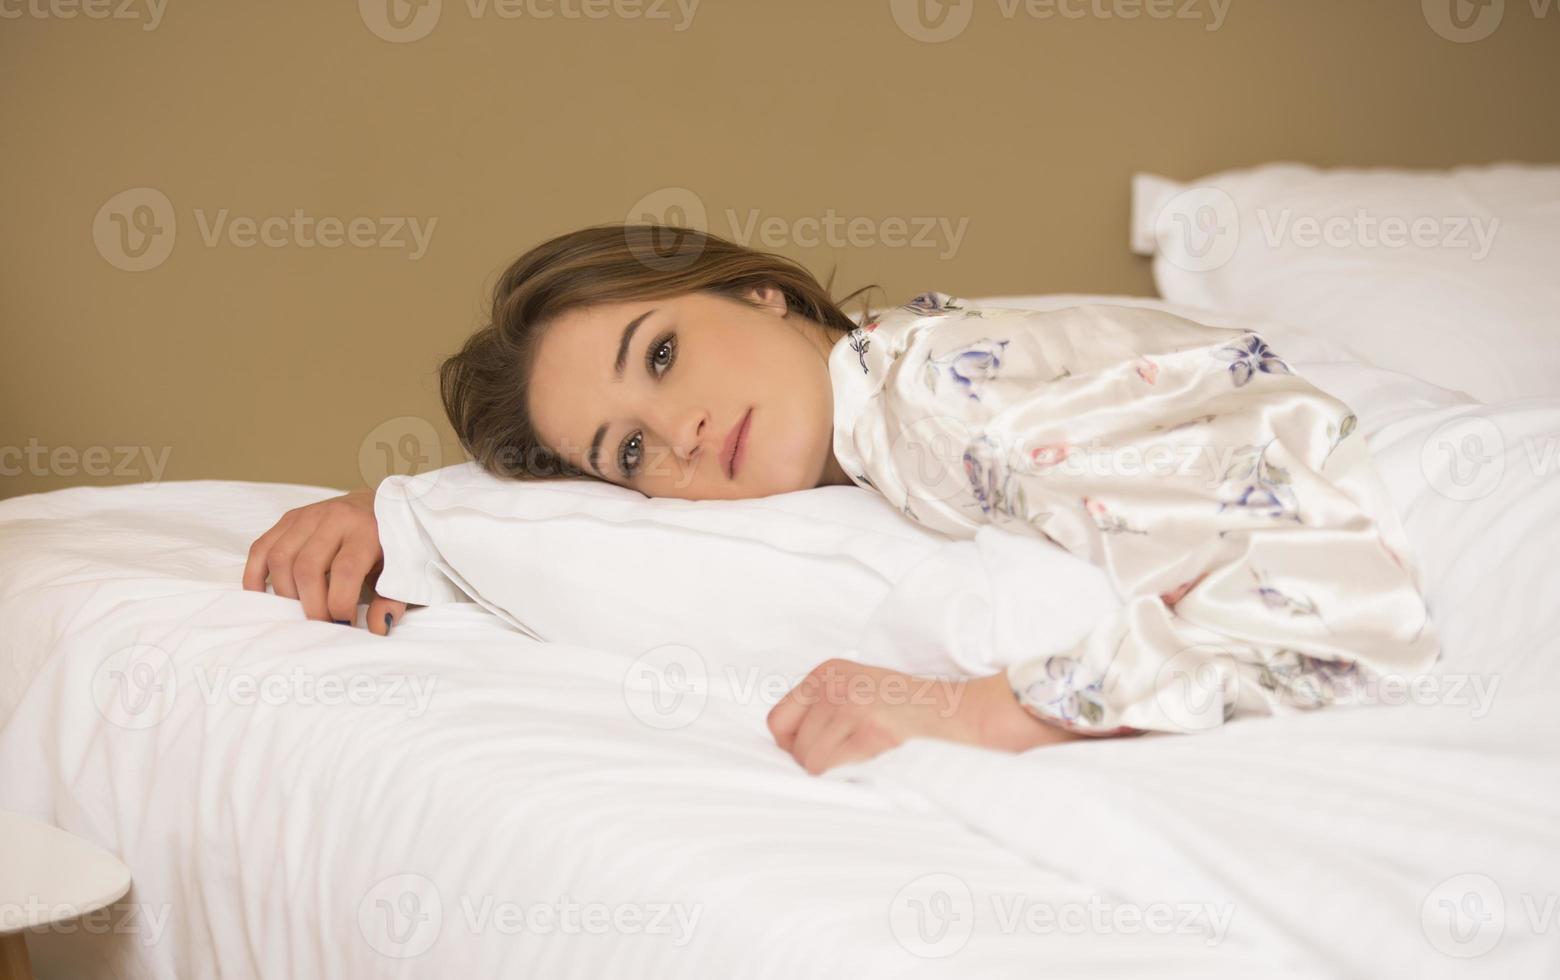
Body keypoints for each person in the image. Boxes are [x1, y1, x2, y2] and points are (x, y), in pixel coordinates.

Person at [243, 224, 1440, 774]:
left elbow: (1322, 598)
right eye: (627, 453)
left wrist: (980, 709)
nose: (682, 430)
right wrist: (393, 509)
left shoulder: (933, 392)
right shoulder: (885, 396)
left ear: (759, 293)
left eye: (662, 355)